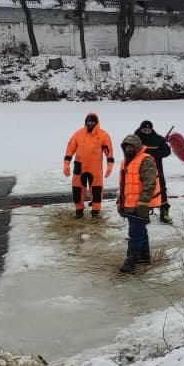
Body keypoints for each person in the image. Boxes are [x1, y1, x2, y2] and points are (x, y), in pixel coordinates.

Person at [117, 133, 163, 274]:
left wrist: (143, 202)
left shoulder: (146, 160)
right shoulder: (125, 162)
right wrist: (121, 202)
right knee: (140, 230)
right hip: (130, 204)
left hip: (141, 204)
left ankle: (131, 260)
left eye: (131, 147)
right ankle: (144, 256)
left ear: (137, 147)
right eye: (126, 147)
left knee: (135, 233)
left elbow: (150, 183)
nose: (129, 149)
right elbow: (124, 184)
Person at [63, 112, 115, 219]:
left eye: (92, 121)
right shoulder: (78, 133)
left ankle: (95, 211)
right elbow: (70, 148)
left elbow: (108, 151)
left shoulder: (103, 135)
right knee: (77, 189)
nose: (89, 123)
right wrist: (66, 163)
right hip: (80, 166)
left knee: (96, 189)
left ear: (96, 123)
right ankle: (79, 210)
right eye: (88, 121)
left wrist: (110, 165)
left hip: (95, 168)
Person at [134, 119, 174, 224]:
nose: (147, 132)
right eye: (144, 130)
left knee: (161, 189)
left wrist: (154, 155)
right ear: (141, 129)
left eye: (149, 130)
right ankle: (144, 214)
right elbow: (129, 151)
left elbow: (167, 151)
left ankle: (164, 214)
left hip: (156, 169)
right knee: (143, 190)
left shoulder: (158, 139)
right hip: (141, 169)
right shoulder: (135, 139)